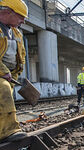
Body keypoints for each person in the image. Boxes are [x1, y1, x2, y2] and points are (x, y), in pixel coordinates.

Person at [0, 0, 28, 142]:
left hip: (8, 75)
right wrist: (3, 72)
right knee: (3, 88)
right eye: (21, 16)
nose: (23, 21)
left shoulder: (16, 33)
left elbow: (20, 56)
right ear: (8, 11)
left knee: (5, 99)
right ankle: (7, 132)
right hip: (2, 74)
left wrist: (15, 73)